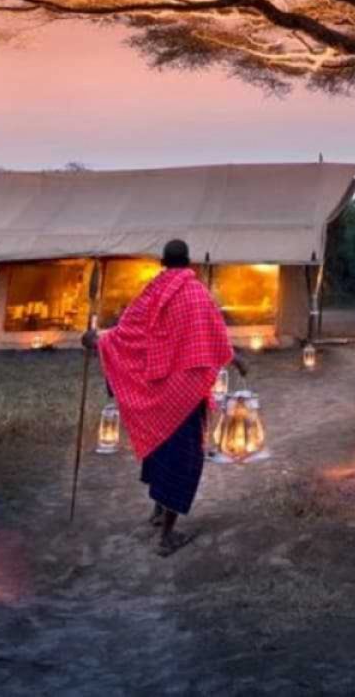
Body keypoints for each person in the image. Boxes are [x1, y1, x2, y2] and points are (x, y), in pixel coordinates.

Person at [84, 238, 244, 556]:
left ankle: (158, 513)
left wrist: (98, 340)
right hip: (184, 393)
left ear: (162, 263)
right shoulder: (197, 294)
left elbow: (126, 333)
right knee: (183, 459)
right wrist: (234, 358)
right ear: (189, 262)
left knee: (160, 450)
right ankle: (167, 536)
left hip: (159, 395)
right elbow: (214, 333)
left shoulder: (149, 294)